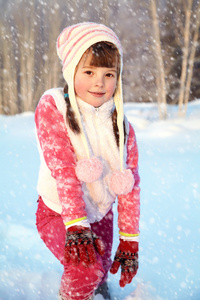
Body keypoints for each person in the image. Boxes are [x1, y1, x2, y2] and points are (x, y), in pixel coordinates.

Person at [35, 22, 140, 300]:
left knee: (101, 272)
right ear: (71, 72)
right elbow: (64, 170)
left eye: (109, 74)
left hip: (100, 212)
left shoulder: (122, 127)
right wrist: (77, 225)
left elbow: (129, 187)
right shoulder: (54, 106)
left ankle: (96, 293)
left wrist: (129, 240)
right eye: (89, 72)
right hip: (58, 212)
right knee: (86, 270)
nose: (99, 82)